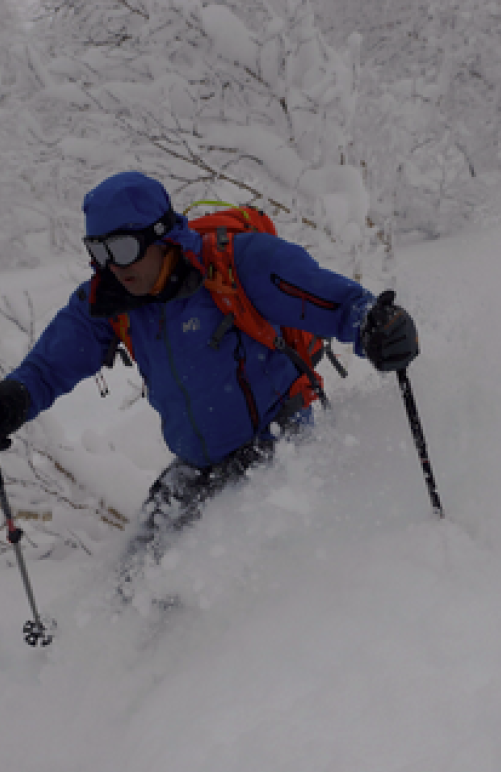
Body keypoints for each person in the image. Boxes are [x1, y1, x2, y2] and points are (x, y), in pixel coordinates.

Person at [0, 172, 418, 589]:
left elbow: (339, 305)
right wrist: (13, 400)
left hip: (278, 447)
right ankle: (125, 652)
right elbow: (47, 368)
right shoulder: (109, 301)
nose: (113, 265)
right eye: (99, 250)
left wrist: (376, 327)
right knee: (135, 582)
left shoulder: (239, 264)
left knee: (221, 583)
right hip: (197, 466)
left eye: (123, 248)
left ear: (162, 236)